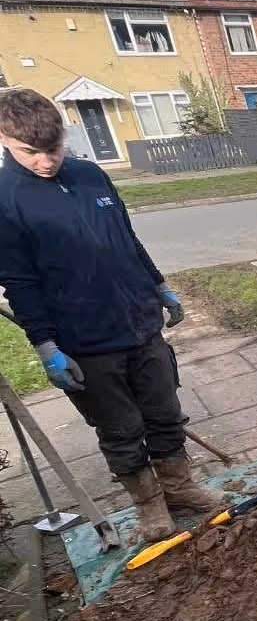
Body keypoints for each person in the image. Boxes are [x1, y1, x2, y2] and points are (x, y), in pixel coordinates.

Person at [0, 88, 223, 541]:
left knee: (165, 415)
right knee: (121, 429)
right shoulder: (6, 199)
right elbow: (19, 282)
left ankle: (178, 489)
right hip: (85, 340)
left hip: (142, 325)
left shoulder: (90, 176)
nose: (46, 162)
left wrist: (160, 286)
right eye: (31, 152)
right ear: (4, 139)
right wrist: (47, 347)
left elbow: (127, 237)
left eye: (54, 148)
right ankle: (150, 507)